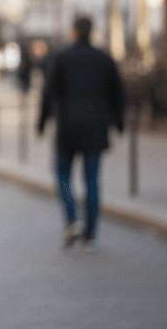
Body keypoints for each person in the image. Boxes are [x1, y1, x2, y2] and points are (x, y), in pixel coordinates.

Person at [37, 16, 125, 251]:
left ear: (74, 31)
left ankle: (72, 219)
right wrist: (120, 123)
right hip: (96, 128)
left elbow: (48, 92)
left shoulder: (62, 58)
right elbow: (118, 93)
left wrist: (42, 122)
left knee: (62, 174)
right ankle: (91, 235)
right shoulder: (105, 59)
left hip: (68, 127)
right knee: (92, 180)